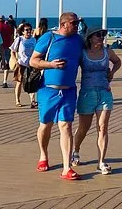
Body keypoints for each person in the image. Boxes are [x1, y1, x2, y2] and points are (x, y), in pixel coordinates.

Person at [31, 12, 84, 180]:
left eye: (78, 23)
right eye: (74, 23)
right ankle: (43, 155)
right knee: (45, 125)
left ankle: (67, 168)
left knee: (66, 126)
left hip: (69, 90)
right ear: (63, 24)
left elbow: (87, 56)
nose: (77, 26)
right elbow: (33, 61)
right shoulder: (49, 38)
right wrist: (51, 64)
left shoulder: (78, 40)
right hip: (48, 90)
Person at [71, 28, 121, 174]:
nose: (101, 37)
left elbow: (117, 62)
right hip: (87, 94)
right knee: (83, 128)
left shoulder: (107, 51)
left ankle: (101, 162)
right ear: (90, 38)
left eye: (103, 35)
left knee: (102, 127)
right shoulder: (83, 53)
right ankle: (76, 150)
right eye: (98, 35)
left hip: (104, 93)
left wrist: (112, 73)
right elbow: (71, 65)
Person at [11, 23, 37, 108]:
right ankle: (17, 100)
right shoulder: (19, 39)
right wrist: (15, 61)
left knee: (31, 82)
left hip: (31, 64)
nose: (29, 31)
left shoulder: (33, 40)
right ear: (22, 31)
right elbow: (13, 51)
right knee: (19, 82)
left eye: (30, 29)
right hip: (21, 63)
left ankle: (32, 100)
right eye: (26, 30)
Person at [0, 16, 15, 88]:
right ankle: (4, 81)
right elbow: (12, 37)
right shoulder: (8, 27)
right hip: (7, 47)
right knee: (6, 65)